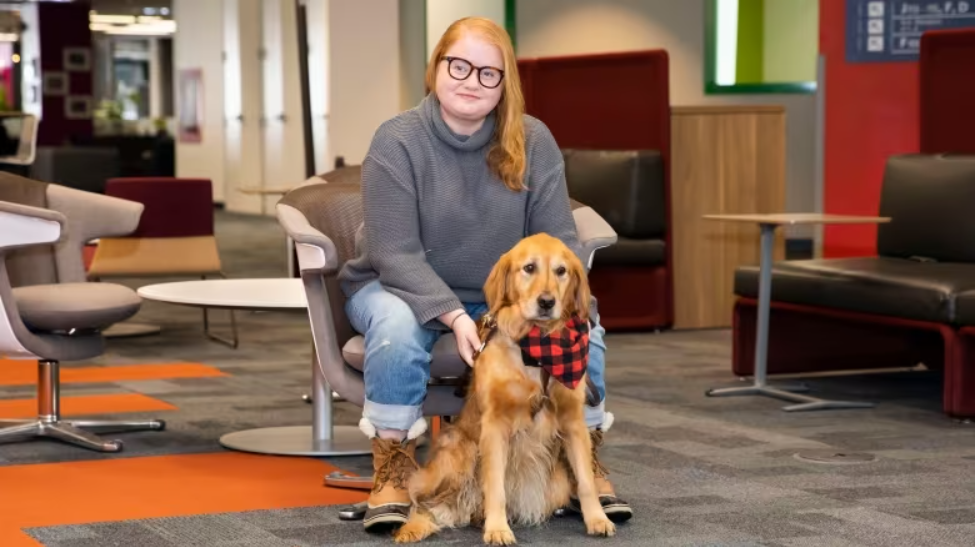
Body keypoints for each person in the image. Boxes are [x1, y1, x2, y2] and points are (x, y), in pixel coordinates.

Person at [337, 16, 631, 533]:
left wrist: (535, 307)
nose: (472, 81)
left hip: (501, 296)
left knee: (586, 331)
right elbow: (394, 251)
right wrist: (452, 315)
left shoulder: (532, 140)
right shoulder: (397, 140)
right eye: (460, 65)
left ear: (505, 83)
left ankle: (584, 457)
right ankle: (392, 467)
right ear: (436, 68)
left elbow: (556, 236)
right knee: (398, 332)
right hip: (395, 284)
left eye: (488, 73)